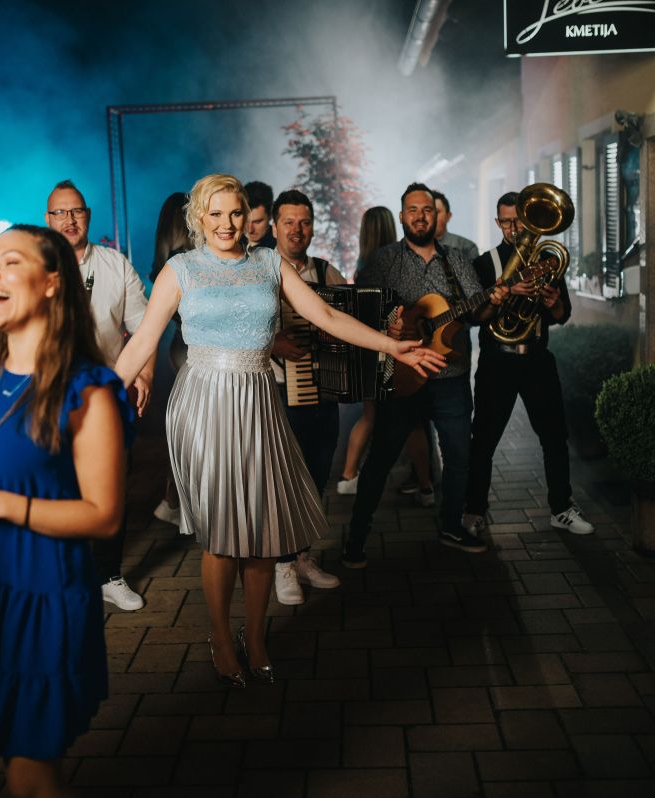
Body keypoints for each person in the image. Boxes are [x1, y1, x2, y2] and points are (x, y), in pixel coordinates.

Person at [114, 174, 443, 685]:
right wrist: (95, 400)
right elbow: (142, 343)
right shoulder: (181, 270)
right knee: (222, 535)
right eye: (215, 214)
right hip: (205, 403)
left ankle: (257, 636)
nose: (227, 224)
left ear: (249, 215)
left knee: (263, 531)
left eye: (234, 212)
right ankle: (222, 637)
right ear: (199, 218)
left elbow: (326, 315)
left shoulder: (269, 263)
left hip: (259, 401)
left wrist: (391, 346)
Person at [0, 225, 132, 797]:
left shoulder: (85, 389)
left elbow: (104, 515)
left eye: (10, 263)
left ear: (51, 283)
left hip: (40, 591)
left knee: (30, 770)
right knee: (13, 753)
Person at [345, 183, 508, 567]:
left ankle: (451, 526)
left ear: (437, 216)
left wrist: (494, 302)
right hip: (403, 376)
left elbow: (476, 314)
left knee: (459, 457)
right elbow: (360, 311)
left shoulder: (457, 260)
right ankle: (355, 536)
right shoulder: (385, 260)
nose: (420, 216)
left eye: (427, 210)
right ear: (403, 216)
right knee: (381, 459)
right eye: (413, 210)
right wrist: (389, 324)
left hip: (450, 377)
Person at [45, 179, 150, 612]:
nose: (69, 219)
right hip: (50, 398)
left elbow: (143, 327)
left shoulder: (115, 264)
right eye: (60, 212)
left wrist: (144, 373)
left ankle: (109, 575)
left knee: (110, 488)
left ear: (87, 216)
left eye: (76, 211)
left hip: (106, 395)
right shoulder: (34, 263)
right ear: (48, 219)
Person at [463, 191, 592, 540]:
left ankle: (561, 508)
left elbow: (563, 315)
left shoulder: (546, 260)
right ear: (497, 222)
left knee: (555, 437)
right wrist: (502, 295)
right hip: (497, 361)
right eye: (506, 222)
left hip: (536, 358)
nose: (514, 228)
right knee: (484, 440)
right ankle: (474, 510)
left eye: (519, 221)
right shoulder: (484, 264)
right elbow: (474, 317)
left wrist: (552, 303)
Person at [267, 189, 345, 605]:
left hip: (323, 390)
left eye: (305, 222)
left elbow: (349, 319)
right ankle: (282, 564)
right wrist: (273, 342)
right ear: (274, 227)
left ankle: (301, 556)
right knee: (285, 481)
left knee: (317, 475)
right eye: (289, 222)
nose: (297, 230)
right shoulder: (260, 269)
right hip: (279, 391)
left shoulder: (327, 272)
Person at [337, 205, 398, 495]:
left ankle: (348, 475)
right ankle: (426, 485)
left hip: (368, 350)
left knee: (370, 416)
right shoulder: (392, 265)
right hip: (391, 349)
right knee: (410, 421)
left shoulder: (362, 267)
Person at [149, 192, 194, 529]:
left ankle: (172, 500)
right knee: (193, 430)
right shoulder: (184, 263)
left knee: (187, 429)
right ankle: (175, 501)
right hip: (190, 348)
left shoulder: (166, 263)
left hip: (179, 347)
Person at [433, 190, 480, 265]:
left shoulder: (466, 247)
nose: (432, 216)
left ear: (448, 216)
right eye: (428, 211)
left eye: (437, 212)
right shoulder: (413, 248)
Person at [244, 180, 278, 251]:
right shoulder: (231, 240)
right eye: (245, 221)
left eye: (257, 222)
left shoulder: (281, 248)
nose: (250, 230)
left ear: (270, 215)